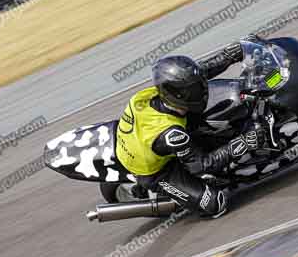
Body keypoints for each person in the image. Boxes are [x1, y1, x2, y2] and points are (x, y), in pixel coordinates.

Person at [114, 39, 266, 218]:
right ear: (177, 96)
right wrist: (244, 142)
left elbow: (196, 74)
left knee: (224, 121)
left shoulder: (157, 93)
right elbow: (201, 165)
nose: (201, 91)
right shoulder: (174, 135)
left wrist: (228, 56)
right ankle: (166, 194)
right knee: (215, 203)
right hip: (156, 172)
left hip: (142, 138)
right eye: (193, 91)